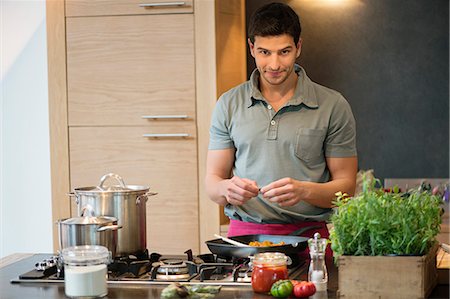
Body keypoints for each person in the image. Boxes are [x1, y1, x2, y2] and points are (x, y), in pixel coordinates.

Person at [205, 2, 357, 258]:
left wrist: (304, 191)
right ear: (251, 47)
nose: (274, 64)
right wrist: (226, 189)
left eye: (284, 51)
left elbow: (346, 187)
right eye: (264, 52)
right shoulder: (228, 104)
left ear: (298, 47)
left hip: (309, 241)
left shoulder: (333, 105)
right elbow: (213, 182)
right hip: (245, 241)